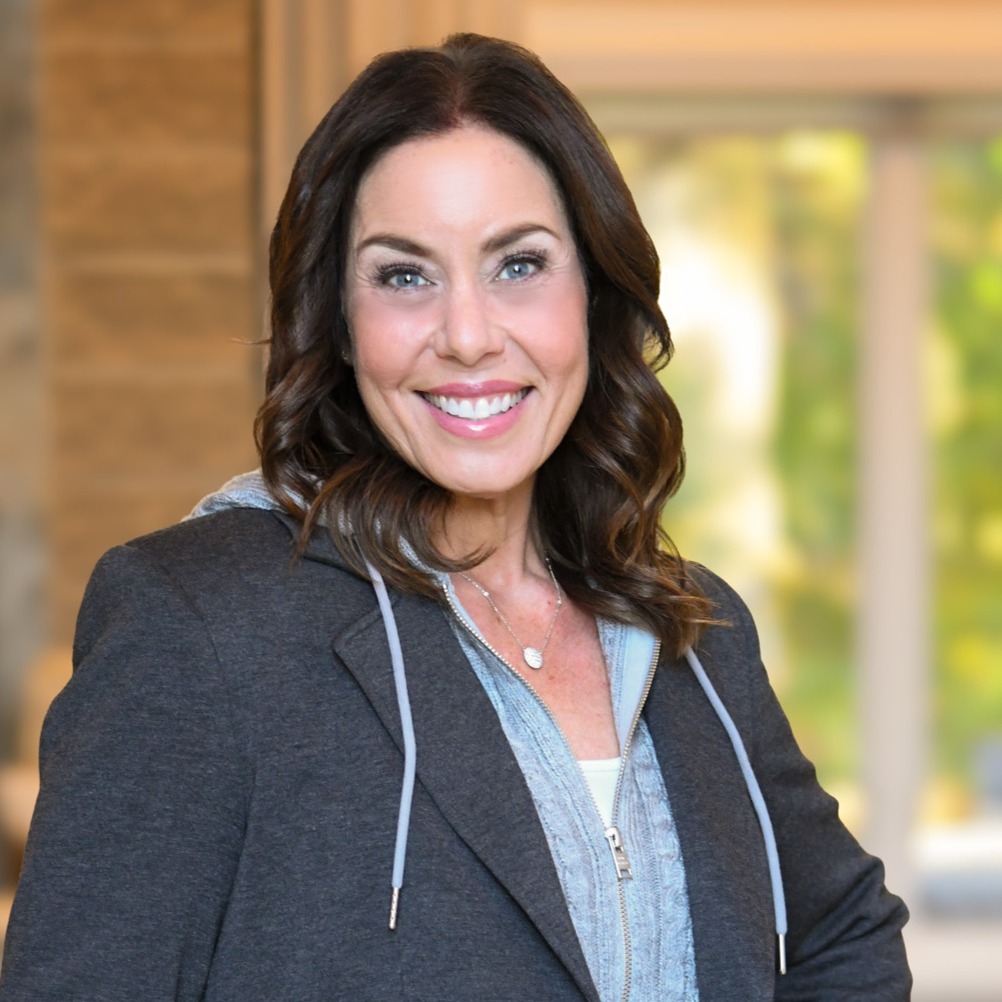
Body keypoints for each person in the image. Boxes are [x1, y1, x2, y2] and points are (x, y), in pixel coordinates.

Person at [0, 33, 910, 1001]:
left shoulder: (691, 632)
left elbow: (847, 938)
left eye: (519, 264)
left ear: (594, 300)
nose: (469, 335)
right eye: (404, 275)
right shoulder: (198, 625)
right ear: (340, 323)